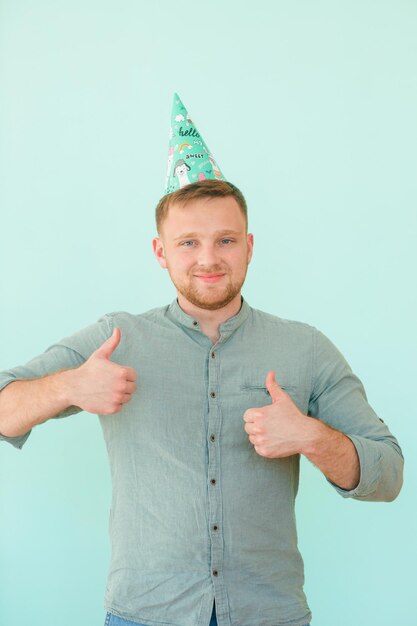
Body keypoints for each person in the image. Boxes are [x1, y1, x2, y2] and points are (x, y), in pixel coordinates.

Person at [0, 96, 404, 626]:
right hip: (144, 614)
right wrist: (69, 386)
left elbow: (388, 474)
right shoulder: (116, 338)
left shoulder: (306, 348)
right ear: (160, 251)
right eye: (188, 242)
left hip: (269, 615)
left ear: (250, 246)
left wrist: (309, 435)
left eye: (225, 240)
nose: (208, 258)